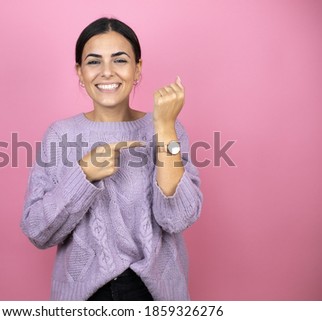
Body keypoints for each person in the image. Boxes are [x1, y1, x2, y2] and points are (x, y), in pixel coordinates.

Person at [21, 17, 202, 301]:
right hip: (85, 297)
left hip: (156, 295)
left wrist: (165, 128)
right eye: (93, 62)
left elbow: (177, 218)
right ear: (79, 72)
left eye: (119, 60)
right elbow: (38, 231)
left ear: (137, 68)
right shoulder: (61, 134)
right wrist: (84, 173)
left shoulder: (170, 127)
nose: (106, 72)